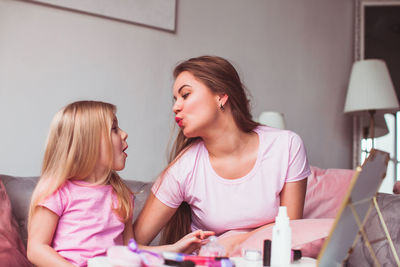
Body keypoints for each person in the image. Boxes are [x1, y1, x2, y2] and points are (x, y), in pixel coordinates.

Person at [133, 55, 311, 248]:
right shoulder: (183, 169)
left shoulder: (286, 146)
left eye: (185, 95)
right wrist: (174, 250)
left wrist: (233, 239)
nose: (176, 107)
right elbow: (130, 247)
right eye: (175, 99)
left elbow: (291, 232)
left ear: (221, 96)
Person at [27, 101, 213, 267]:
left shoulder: (120, 194)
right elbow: (36, 249)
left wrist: (176, 248)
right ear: (87, 142)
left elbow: (131, 249)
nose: (124, 134)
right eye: (114, 129)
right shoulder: (57, 192)